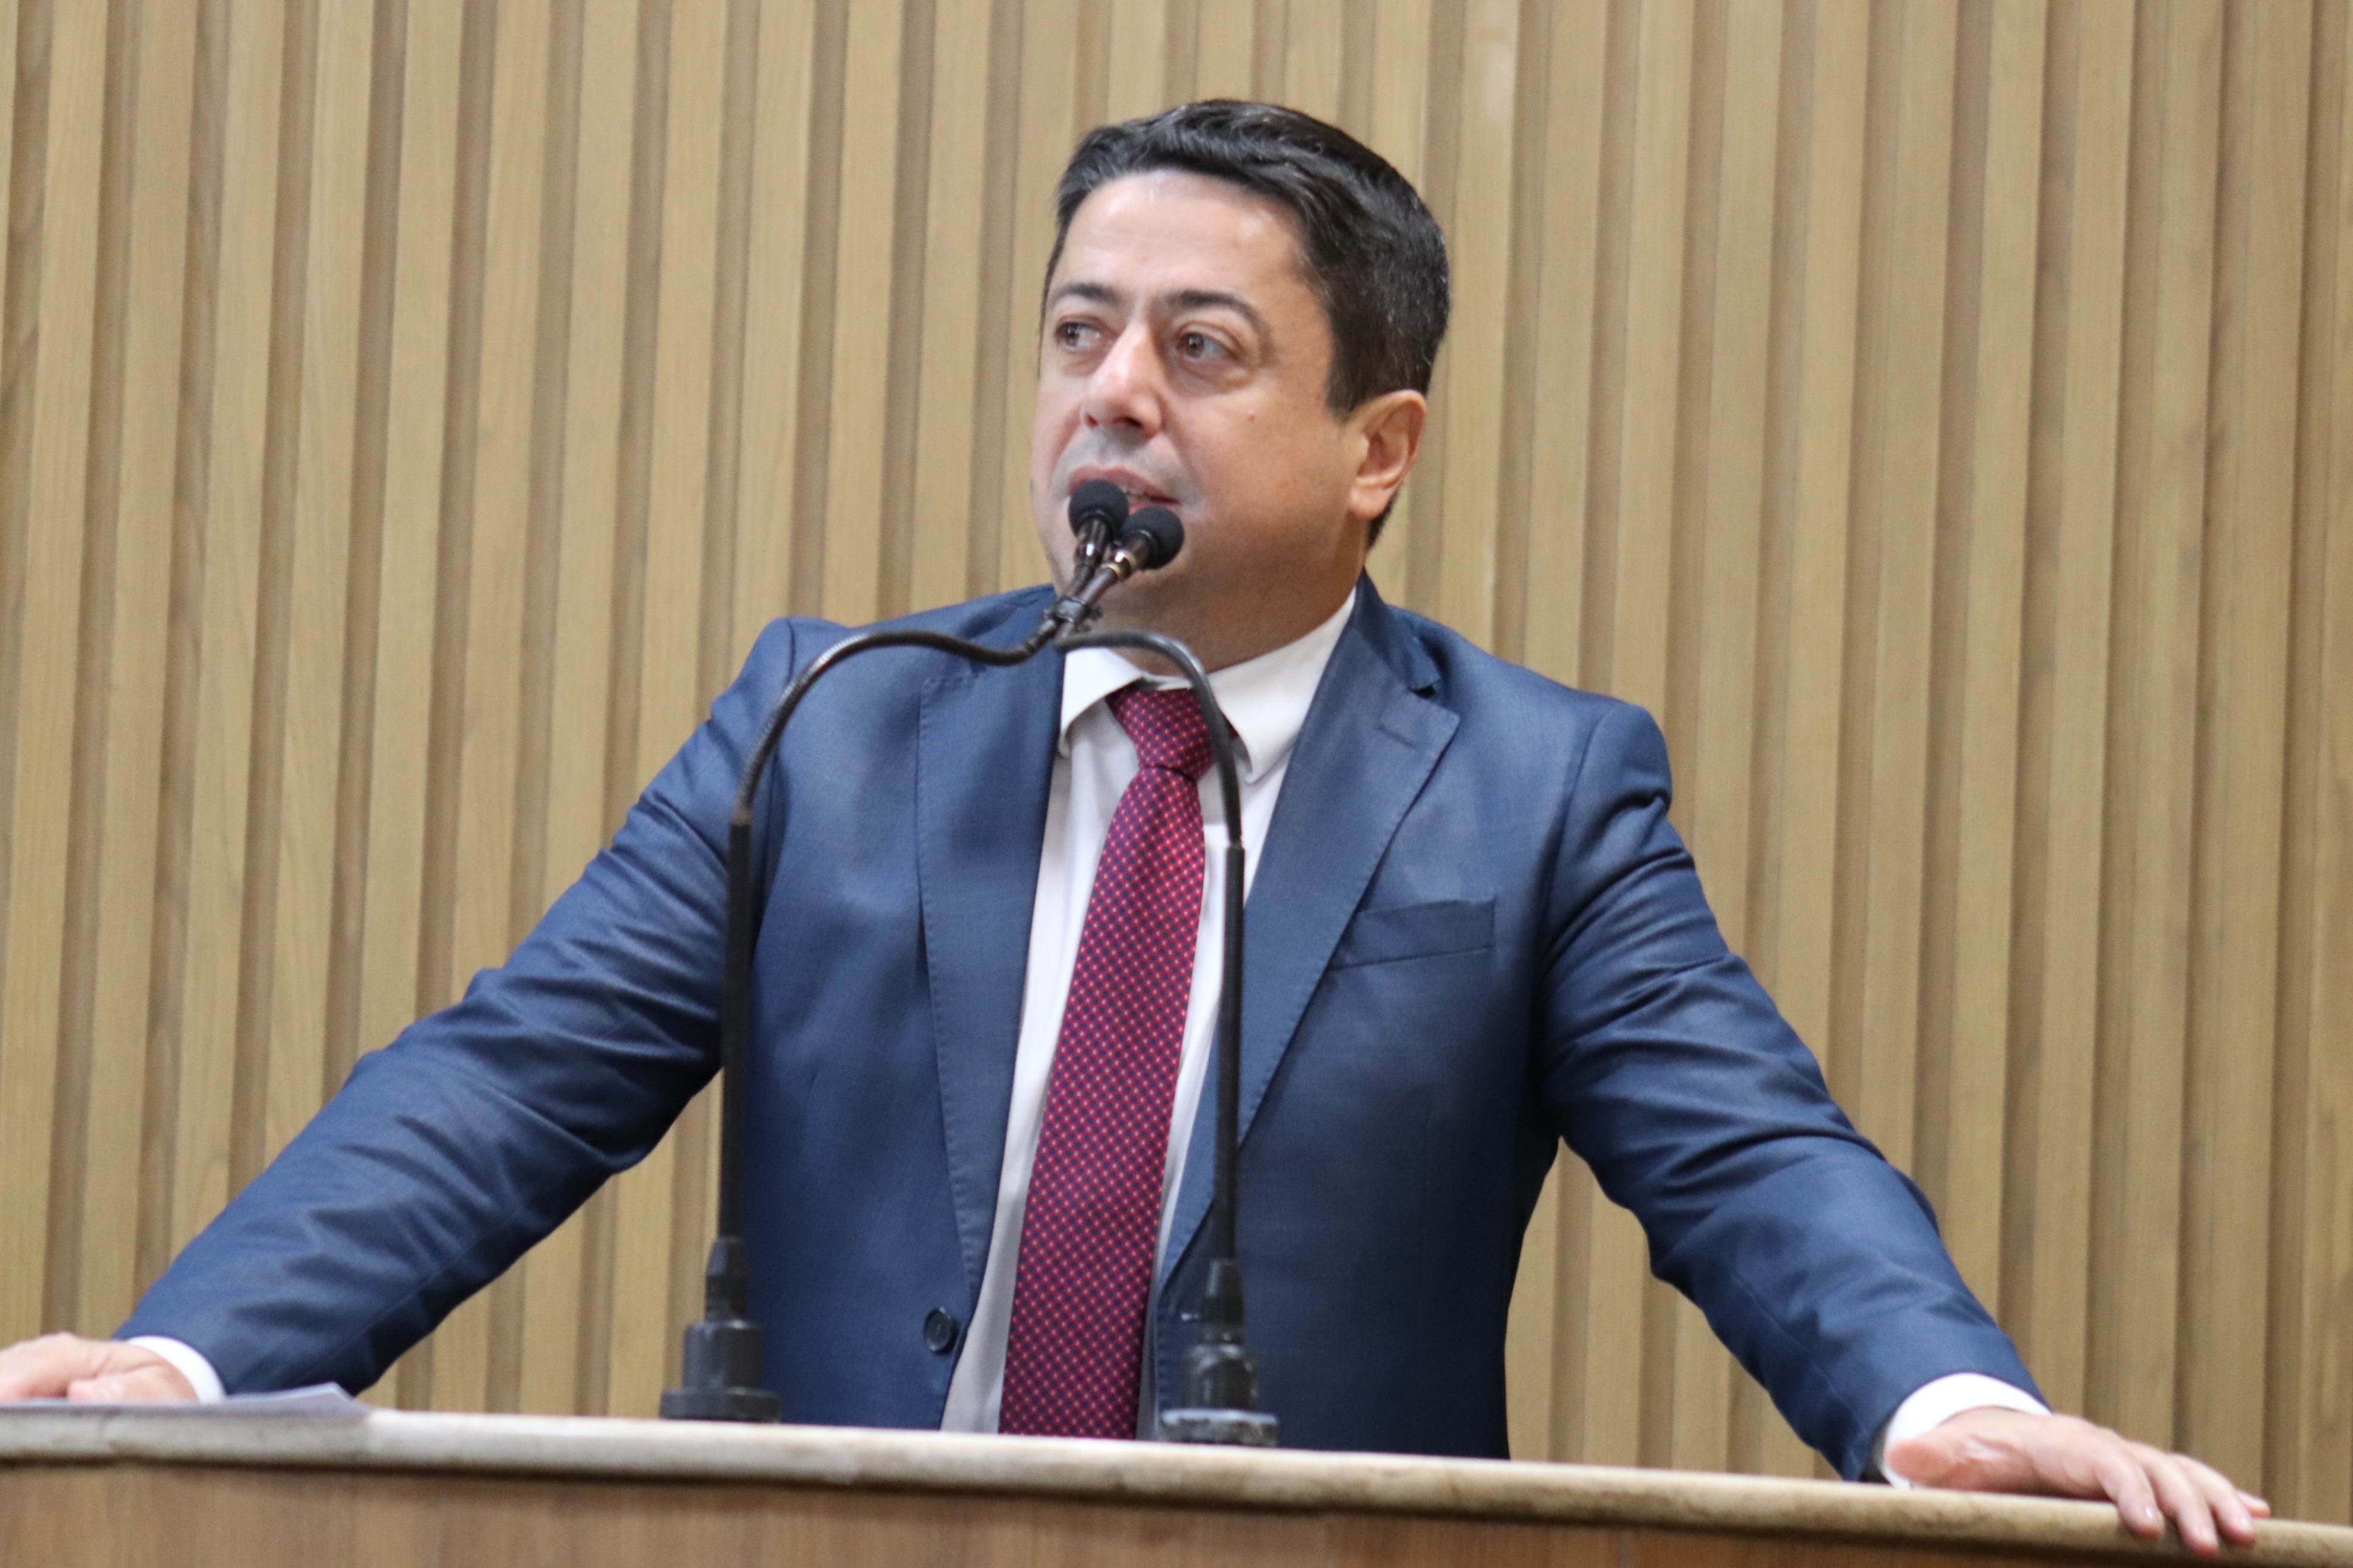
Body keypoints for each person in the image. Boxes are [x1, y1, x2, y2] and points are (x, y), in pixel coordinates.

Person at [0, 100, 2264, 1554]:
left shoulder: (1537, 791)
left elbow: (1750, 1150)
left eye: (1201, 349)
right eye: (1082, 333)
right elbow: (510, 1080)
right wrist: (185, 1364)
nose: (1113, 393)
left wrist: (1936, 1398)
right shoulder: (834, 723)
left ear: (1378, 447)